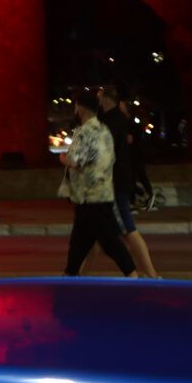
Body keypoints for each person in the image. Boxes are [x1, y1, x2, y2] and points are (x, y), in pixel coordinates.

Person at [58, 90, 135, 277]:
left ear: (81, 110)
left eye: (76, 108)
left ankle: (133, 274)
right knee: (79, 242)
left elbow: (76, 161)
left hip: (89, 196)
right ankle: (69, 275)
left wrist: (63, 159)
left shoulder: (84, 132)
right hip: (102, 193)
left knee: (109, 242)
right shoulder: (104, 129)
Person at [92, 87, 159, 279]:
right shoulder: (122, 121)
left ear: (105, 101)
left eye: (98, 99)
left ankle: (149, 274)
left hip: (112, 185)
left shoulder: (107, 123)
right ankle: (77, 273)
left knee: (128, 230)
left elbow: (106, 155)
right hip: (118, 182)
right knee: (94, 232)